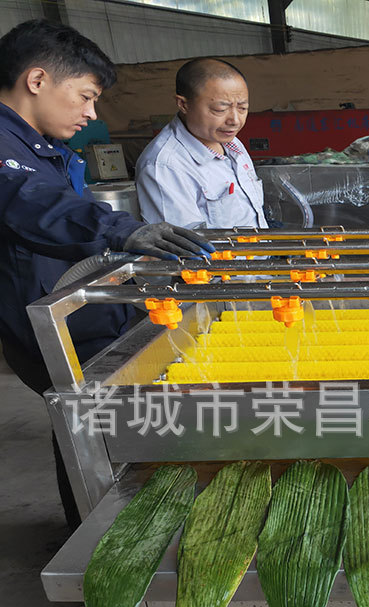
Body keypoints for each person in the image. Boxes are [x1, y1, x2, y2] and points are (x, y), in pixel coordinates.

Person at [0, 19, 214, 529]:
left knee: (97, 425)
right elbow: (32, 204)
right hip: (49, 322)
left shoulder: (39, 147)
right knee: (91, 428)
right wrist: (121, 229)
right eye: (85, 96)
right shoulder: (7, 151)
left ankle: (105, 525)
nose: (91, 114)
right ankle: (99, 536)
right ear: (37, 80)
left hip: (77, 311)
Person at [135, 57, 267, 229]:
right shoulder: (165, 166)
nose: (235, 120)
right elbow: (184, 242)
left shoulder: (231, 142)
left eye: (242, 108)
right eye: (220, 109)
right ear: (183, 104)